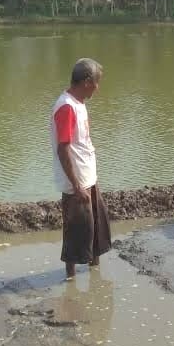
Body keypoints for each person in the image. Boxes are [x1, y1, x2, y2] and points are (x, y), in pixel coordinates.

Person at [51, 58, 112, 279]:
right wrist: (76, 186)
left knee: (96, 227)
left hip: (88, 177)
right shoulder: (66, 106)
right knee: (77, 231)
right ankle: (70, 278)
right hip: (75, 182)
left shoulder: (79, 104)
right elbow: (63, 149)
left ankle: (95, 274)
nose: (98, 87)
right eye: (97, 82)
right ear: (87, 82)